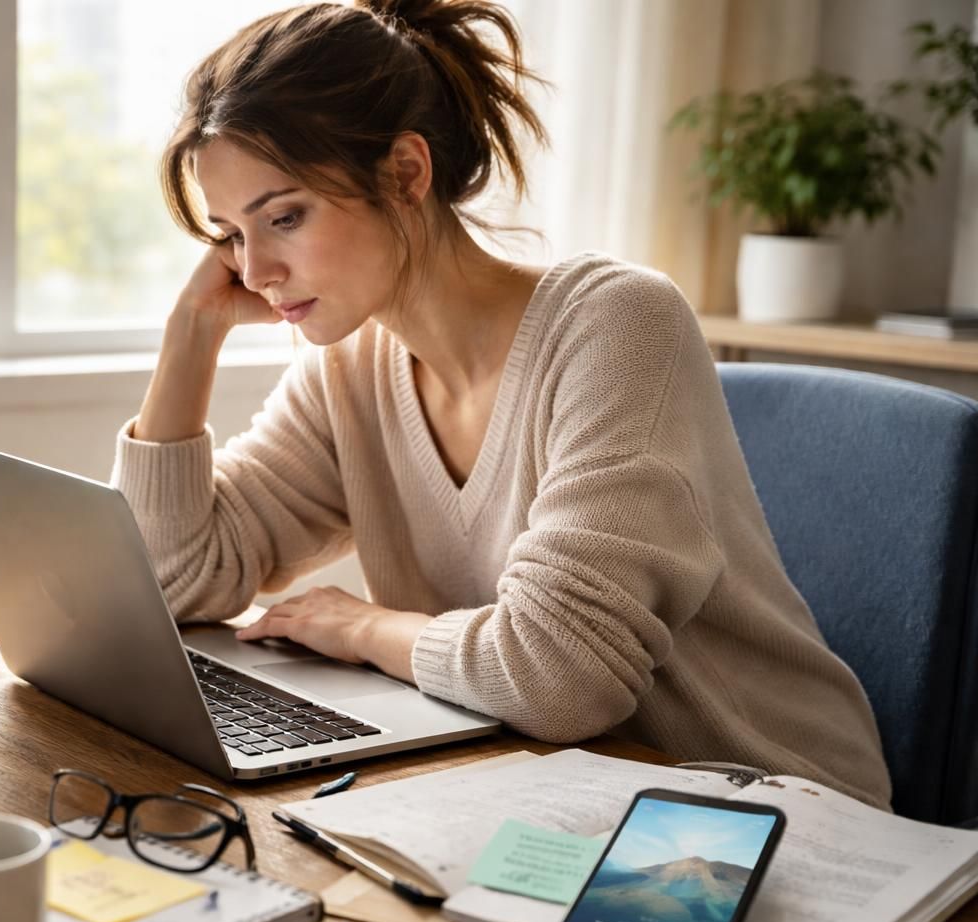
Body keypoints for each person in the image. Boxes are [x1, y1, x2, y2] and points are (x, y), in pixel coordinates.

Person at [109, 0, 892, 808]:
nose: (256, 268)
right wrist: (190, 334)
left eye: (284, 217)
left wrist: (361, 626)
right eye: (231, 234)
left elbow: (558, 677)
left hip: (766, 809)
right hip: (568, 800)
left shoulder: (617, 324)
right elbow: (172, 580)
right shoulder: (351, 365)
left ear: (406, 173)